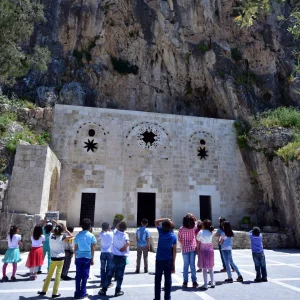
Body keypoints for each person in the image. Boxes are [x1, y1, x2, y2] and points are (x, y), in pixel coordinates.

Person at [38, 224, 73, 298]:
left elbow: (50, 230)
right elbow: (71, 236)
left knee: (49, 275)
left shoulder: (50, 236)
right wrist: (66, 229)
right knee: (58, 276)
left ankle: (44, 290)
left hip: (53, 258)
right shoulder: (62, 237)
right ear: (61, 231)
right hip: (61, 258)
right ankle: (55, 292)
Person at [98, 220, 130, 297]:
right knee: (120, 275)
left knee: (109, 273)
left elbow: (114, 227)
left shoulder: (114, 233)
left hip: (114, 256)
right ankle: (117, 290)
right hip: (122, 257)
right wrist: (124, 247)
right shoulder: (125, 235)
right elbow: (128, 243)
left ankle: (104, 289)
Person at [153, 218, 177, 300]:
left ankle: (157, 298)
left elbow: (156, 221)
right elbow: (174, 251)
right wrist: (173, 263)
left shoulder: (161, 232)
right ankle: (167, 298)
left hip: (159, 259)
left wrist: (165, 219)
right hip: (168, 260)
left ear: (162, 226)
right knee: (168, 280)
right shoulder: (173, 236)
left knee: (157, 280)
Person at [74, 218, 97, 299]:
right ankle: (83, 291)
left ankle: (77, 292)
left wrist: (75, 258)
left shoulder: (78, 235)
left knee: (78, 275)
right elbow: (93, 248)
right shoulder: (91, 236)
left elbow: (75, 248)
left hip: (79, 257)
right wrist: (92, 259)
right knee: (85, 275)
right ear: (90, 226)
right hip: (87, 257)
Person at [178, 214, 198, 288]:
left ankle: (185, 281)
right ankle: (194, 282)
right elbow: (196, 221)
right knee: (192, 265)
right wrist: (193, 216)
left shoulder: (181, 228)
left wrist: (183, 244)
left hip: (185, 248)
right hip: (192, 248)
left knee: (185, 265)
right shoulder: (194, 227)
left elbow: (179, 239)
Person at [196, 219, 215, 289]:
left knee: (204, 268)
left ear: (203, 225)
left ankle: (205, 284)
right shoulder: (211, 232)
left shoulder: (201, 232)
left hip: (203, 250)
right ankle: (212, 282)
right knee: (211, 267)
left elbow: (198, 239)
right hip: (210, 250)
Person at [98, 222, 114, 288]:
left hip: (103, 252)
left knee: (102, 268)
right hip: (110, 252)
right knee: (109, 268)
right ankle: (108, 282)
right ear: (108, 227)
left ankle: (102, 282)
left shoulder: (101, 234)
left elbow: (99, 238)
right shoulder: (112, 234)